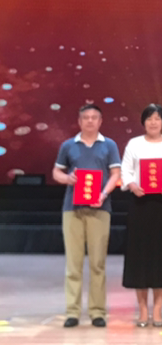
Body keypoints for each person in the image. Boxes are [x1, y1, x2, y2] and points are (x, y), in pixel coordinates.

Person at [52, 104, 121, 328]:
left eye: (94, 117)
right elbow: (56, 171)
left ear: (100, 121)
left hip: (100, 208)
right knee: (73, 264)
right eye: (86, 117)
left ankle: (97, 311)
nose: (90, 121)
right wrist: (67, 179)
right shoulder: (68, 145)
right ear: (79, 121)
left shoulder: (109, 145)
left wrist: (103, 194)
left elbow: (116, 174)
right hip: (72, 209)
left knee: (97, 263)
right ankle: (72, 312)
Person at [121, 103, 162, 327]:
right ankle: (142, 311)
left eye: (157, 118)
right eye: (149, 118)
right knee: (140, 259)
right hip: (140, 205)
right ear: (143, 122)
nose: (153, 122)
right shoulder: (134, 144)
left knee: (161, 259)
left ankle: (157, 311)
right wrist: (132, 185)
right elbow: (126, 170)